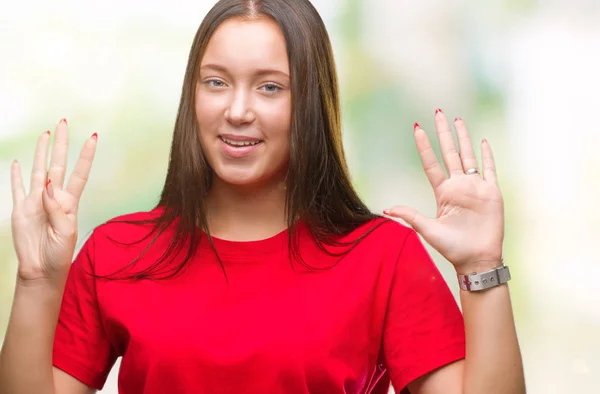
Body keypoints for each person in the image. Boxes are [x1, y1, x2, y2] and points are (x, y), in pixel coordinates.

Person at [0, 0, 526, 393]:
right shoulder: (116, 251)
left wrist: (482, 266)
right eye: (216, 82)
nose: (238, 110)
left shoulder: (382, 257)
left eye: (270, 86)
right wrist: (37, 281)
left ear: (311, 105)